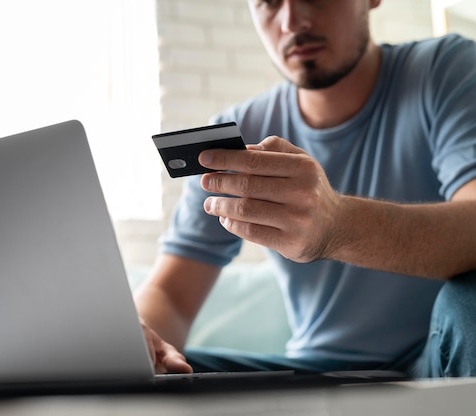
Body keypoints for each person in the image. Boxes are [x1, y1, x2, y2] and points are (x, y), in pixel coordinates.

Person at [134, 0, 476, 378]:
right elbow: (173, 295)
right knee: (151, 368)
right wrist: (139, 337)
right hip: (314, 371)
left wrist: (338, 227)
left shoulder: (446, 70)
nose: (292, 21)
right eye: (268, 2)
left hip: (436, 357)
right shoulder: (239, 131)